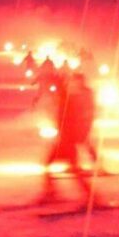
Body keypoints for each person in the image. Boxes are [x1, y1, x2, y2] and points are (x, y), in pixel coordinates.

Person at [40, 76, 92, 204]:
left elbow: (71, 122)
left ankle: (91, 198)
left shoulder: (67, 102)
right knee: (49, 165)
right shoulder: (63, 100)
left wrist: (73, 137)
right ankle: (51, 193)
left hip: (67, 142)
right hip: (63, 141)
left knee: (74, 171)